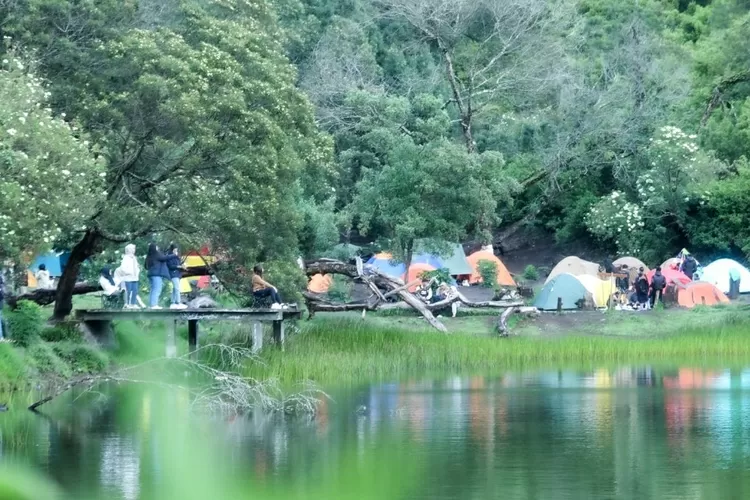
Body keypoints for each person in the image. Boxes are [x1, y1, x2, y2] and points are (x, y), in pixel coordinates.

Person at [146, 243, 170, 309]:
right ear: (154, 248)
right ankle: (154, 305)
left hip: (151, 274)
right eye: (157, 247)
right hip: (156, 275)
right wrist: (173, 255)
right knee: (157, 289)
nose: (158, 248)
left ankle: (151, 305)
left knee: (153, 290)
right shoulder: (156, 254)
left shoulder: (150, 255)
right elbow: (165, 258)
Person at [117, 244, 142, 308]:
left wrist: (138, 271)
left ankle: (133, 304)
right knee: (128, 290)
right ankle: (127, 304)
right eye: (132, 249)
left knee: (135, 290)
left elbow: (137, 267)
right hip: (128, 277)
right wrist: (129, 272)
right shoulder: (126, 258)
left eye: (134, 248)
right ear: (128, 250)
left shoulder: (134, 258)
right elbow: (123, 268)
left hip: (135, 277)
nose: (134, 250)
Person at [166, 245, 187, 309]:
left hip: (177, 274)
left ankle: (173, 303)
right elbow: (170, 266)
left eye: (176, 250)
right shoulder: (169, 257)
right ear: (171, 250)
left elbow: (179, 264)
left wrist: (183, 266)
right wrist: (179, 266)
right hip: (173, 274)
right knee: (177, 288)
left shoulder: (176, 257)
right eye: (174, 250)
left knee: (175, 289)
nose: (176, 251)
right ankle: (178, 302)